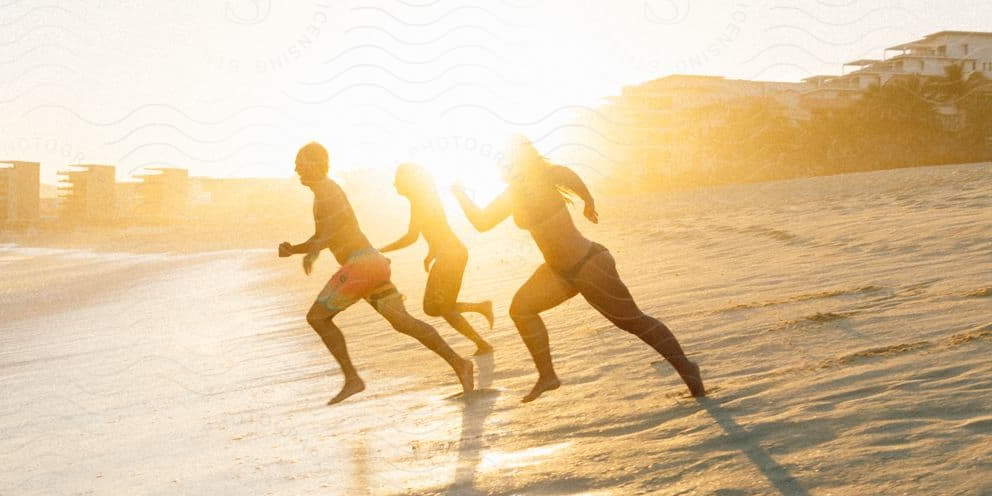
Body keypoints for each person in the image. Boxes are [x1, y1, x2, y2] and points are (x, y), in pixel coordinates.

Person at [451, 136, 705, 403]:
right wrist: (460, 194)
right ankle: (547, 375)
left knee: (632, 322)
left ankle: (687, 368)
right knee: (521, 309)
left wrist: (588, 201)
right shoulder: (513, 194)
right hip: (559, 272)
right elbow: (482, 222)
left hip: (589, 264)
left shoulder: (546, 177)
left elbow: (571, 177)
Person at [278, 141, 475, 405]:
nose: (296, 167)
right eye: (296, 162)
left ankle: (352, 379)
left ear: (317, 164)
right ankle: (460, 364)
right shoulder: (323, 192)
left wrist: (308, 250)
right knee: (403, 322)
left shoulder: (327, 189)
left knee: (317, 318)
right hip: (371, 264)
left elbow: (332, 233)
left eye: (301, 161)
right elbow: (324, 234)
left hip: (360, 266)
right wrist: (299, 249)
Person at [381, 163, 495, 355]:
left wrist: (382, 249)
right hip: (449, 254)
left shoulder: (421, 201)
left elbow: (412, 236)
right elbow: (436, 229)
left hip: (451, 255)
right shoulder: (423, 199)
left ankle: (482, 344)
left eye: (398, 180)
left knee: (443, 307)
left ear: (408, 182)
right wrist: (431, 252)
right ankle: (480, 308)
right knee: (432, 308)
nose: (395, 185)